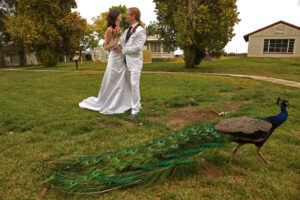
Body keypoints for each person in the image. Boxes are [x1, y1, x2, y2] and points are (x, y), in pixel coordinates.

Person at [79, 10, 132, 115]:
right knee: (113, 79)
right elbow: (106, 46)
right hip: (114, 59)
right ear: (115, 16)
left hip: (121, 57)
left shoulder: (120, 29)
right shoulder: (109, 30)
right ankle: (110, 101)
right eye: (120, 14)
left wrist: (122, 47)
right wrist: (114, 45)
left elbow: (123, 43)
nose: (121, 16)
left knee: (123, 79)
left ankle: (122, 101)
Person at [115, 7, 146, 120]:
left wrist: (123, 50)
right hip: (126, 62)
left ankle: (135, 111)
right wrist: (114, 36)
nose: (125, 16)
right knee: (129, 85)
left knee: (134, 84)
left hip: (135, 63)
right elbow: (121, 41)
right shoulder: (128, 30)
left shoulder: (140, 31)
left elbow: (138, 48)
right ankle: (136, 104)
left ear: (133, 16)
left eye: (127, 14)